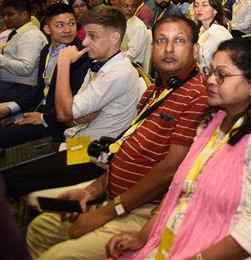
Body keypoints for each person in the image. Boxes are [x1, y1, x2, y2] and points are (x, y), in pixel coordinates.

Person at [24, 16, 209, 260]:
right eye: (161, 40)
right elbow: (125, 147)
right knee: (39, 230)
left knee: (57, 254)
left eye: (179, 40)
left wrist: (106, 212)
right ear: (152, 48)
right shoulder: (155, 91)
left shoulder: (198, 94)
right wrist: (91, 191)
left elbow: (170, 169)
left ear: (195, 50)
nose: (169, 48)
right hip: (110, 188)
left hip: (143, 208)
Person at [106, 38, 251, 260]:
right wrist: (143, 236)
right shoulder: (215, 120)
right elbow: (182, 192)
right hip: (175, 238)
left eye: (221, 74)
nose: (210, 80)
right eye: (210, 71)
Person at [4, 7, 148, 199]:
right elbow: (76, 116)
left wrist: (63, 64)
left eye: (93, 36)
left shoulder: (119, 72)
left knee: (8, 177)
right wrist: (76, 113)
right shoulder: (99, 63)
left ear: (115, 38)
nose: (85, 42)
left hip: (92, 158)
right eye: (86, 35)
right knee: (10, 161)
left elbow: (65, 114)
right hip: (75, 141)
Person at [0, 4, 90, 147]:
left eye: (72, 23)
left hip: (58, 123)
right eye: (60, 25)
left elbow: (76, 102)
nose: (67, 30)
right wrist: (10, 108)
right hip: (40, 110)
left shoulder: (80, 55)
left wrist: (43, 117)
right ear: (47, 29)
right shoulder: (46, 50)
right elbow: (40, 89)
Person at [0, 0, 48, 102]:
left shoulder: (31, 36)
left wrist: (1, 60)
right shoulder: (20, 32)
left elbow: (25, 68)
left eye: (10, 14)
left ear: (25, 14)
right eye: (4, 15)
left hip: (20, 88)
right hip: (10, 84)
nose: (5, 18)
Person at [193, 0, 232, 69]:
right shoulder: (200, 29)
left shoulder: (219, 34)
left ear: (215, 10)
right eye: (196, 5)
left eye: (204, 5)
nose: (199, 9)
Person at [119, 0, 151, 70]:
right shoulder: (120, 22)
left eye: (132, 6)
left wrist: (113, 59)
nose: (129, 9)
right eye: (126, 6)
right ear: (120, 7)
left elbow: (132, 54)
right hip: (121, 61)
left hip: (132, 66)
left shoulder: (138, 26)